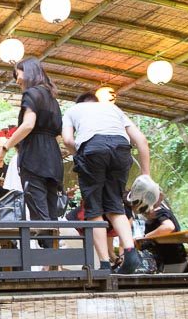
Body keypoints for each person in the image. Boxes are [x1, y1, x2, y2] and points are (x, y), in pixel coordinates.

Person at [61, 91, 151, 273]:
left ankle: (103, 263)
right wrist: (146, 174)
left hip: (92, 148)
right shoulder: (113, 108)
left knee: (94, 209)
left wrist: (80, 154)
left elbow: (68, 140)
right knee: (115, 206)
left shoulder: (73, 110)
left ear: (80, 103)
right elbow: (141, 139)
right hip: (121, 149)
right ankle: (130, 252)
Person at [0, 57, 64, 221]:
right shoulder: (53, 100)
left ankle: (46, 245)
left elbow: (28, 125)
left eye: (17, 75)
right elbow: (59, 133)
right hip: (53, 158)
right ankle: (52, 245)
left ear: (28, 71)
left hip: (34, 157)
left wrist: (5, 147)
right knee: (51, 211)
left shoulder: (31, 93)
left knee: (38, 213)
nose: (17, 80)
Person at [135, 198, 188, 273]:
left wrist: (145, 237)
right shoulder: (160, 211)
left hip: (172, 260)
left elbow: (168, 227)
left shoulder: (159, 211)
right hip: (169, 259)